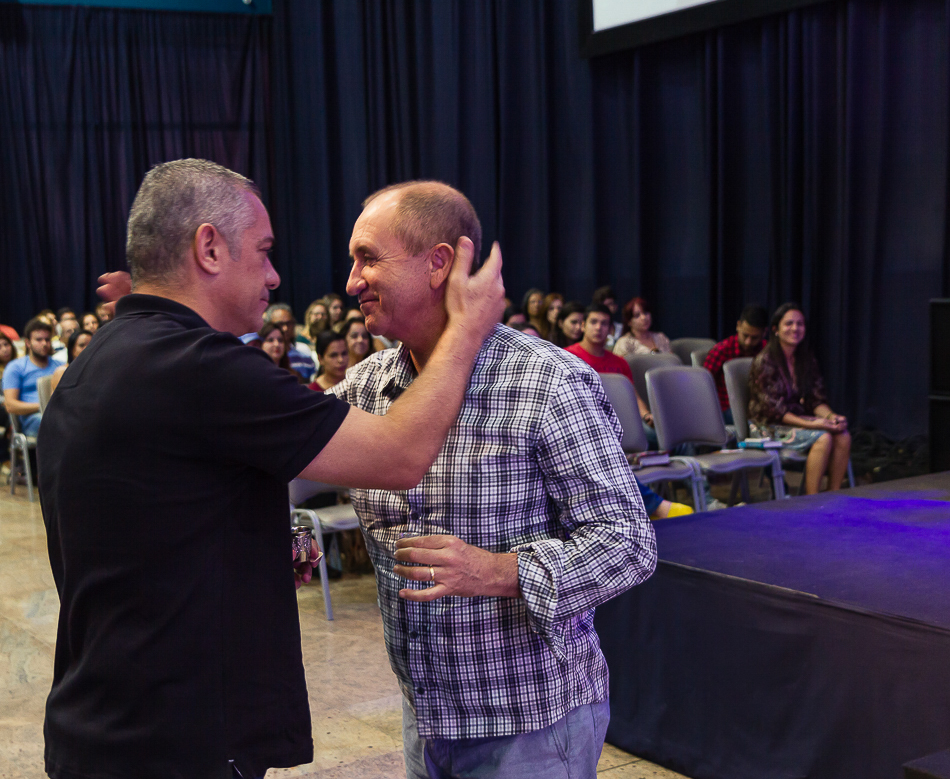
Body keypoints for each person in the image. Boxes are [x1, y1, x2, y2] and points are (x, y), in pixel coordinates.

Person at [37, 158, 505, 779]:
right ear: (209, 247)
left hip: (108, 722)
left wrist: (254, 551)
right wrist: (468, 329)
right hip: (175, 740)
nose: (275, 274)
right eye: (262, 251)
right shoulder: (197, 368)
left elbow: (155, 519)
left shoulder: (109, 359)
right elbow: (400, 454)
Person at [329, 180, 656, 778]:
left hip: (530, 725)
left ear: (439, 264)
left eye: (368, 259)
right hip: (425, 719)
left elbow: (630, 544)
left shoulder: (547, 383)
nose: (351, 282)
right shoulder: (363, 388)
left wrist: (497, 571)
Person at [748, 302, 852, 495]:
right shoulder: (765, 361)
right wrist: (817, 425)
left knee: (843, 435)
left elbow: (816, 399)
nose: (795, 328)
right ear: (775, 330)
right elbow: (776, 412)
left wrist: (830, 417)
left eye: (800, 324)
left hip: (797, 421)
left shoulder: (805, 359)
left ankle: (834, 494)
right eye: (789, 324)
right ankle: (811, 499)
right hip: (767, 426)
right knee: (823, 437)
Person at [566, 303, 659, 449]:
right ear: (583, 326)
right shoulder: (568, 357)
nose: (598, 328)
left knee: (666, 434)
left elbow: (633, 396)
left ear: (610, 330)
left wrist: (647, 415)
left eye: (604, 324)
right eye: (593, 322)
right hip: (585, 421)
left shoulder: (619, 362)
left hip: (621, 417)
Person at [702, 304, 768, 423]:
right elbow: (702, 385)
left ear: (764, 333)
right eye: (745, 335)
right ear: (738, 326)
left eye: (754, 338)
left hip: (758, 405)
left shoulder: (766, 350)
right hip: (727, 409)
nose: (748, 342)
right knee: (752, 422)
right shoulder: (722, 350)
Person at [2, 318, 59, 438]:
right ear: (28, 343)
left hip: (59, 413)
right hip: (33, 419)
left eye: (47, 339)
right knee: (53, 419)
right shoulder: (16, 367)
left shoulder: (59, 366)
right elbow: (10, 405)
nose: (44, 343)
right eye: (39, 340)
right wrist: (43, 406)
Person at [266, 303, 317, 381]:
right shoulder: (263, 355)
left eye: (288, 323)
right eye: (280, 324)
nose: (285, 328)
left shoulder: (304, 351)